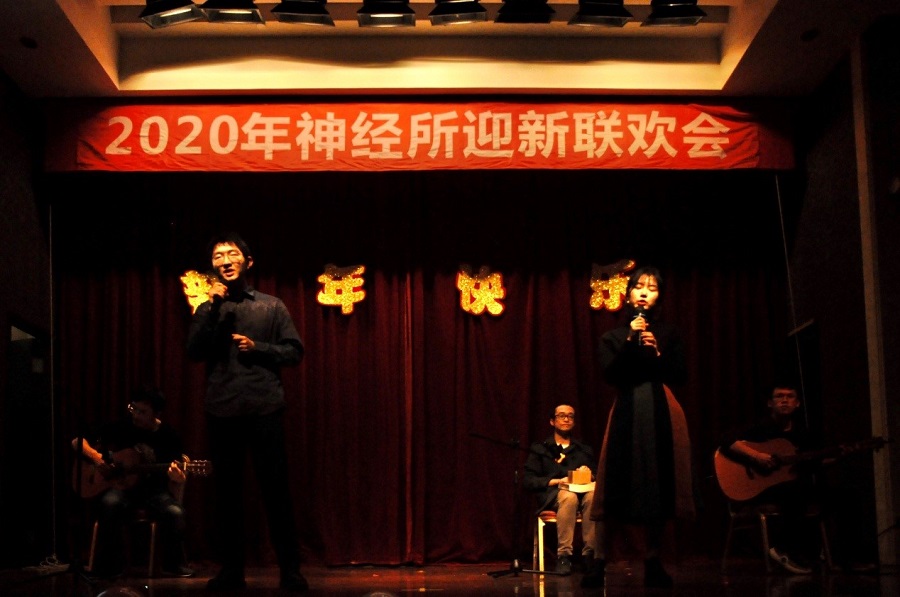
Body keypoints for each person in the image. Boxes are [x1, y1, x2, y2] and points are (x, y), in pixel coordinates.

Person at [185, 232, 308, 592]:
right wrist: (212, 309)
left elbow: (294, 351)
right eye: (218, 256)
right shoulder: (206, 309)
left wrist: (259, 348)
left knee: (276, 492)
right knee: (227, 496)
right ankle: (231, 571)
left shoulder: (271, 306)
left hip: (264, 408)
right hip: (222, 410)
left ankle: (290, 571)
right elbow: (193, 352)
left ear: (248, 262)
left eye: (232, 253)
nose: (224, 260)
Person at [582, 266, 695, 589]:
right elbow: (611, 375)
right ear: (629, 293)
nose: (645, 292)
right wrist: (631, 341)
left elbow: (680, 375)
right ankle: (599, 561)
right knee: (614, 483)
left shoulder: (669, 333)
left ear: (659, 297)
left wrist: (657, 353)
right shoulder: (613, 336)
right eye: (639, 286)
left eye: (652, 288)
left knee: (658, 484)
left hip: (661, 410)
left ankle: (653, 560)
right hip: (627, 410)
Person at [71, 385, 194, 579]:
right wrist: (99, 460)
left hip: (154, 491)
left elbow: (178, 473)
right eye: (134, 409)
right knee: (109, 504)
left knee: (175, 512)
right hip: (121, 488)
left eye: (142, 412)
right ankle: (109, 567)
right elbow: (77, 442)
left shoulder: (168, 435)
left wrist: (178, 476)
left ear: (156, 413)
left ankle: (173, 565)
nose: (136, 415)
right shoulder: (121, 425)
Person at [717, 382, 829, 574]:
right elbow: (726, 439)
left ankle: (844, 557)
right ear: (770, 403)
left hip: (789, 490)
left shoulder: (804, 434)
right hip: (759, 489)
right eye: (779, 396)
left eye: (790, 396)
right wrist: (757, 456)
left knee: (843, 495)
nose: (785, 400)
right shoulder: (760, 428)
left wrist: (833, 457)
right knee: (795, 491)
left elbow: (813, 463)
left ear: (798, 403)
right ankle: (783, 549)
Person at [523, 404, 598, 576]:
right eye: (561, 416)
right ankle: (564, 556)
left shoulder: (583, 449)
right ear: (552, 421)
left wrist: (588, 474)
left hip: (583, 493)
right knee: (568, 496)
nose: (566, 419)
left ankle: (590, 555)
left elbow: (596, 475)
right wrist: (558, 481)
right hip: (554, 496)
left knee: (593, 496)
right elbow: (529, 480)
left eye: (570, 416)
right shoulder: (541, 448)